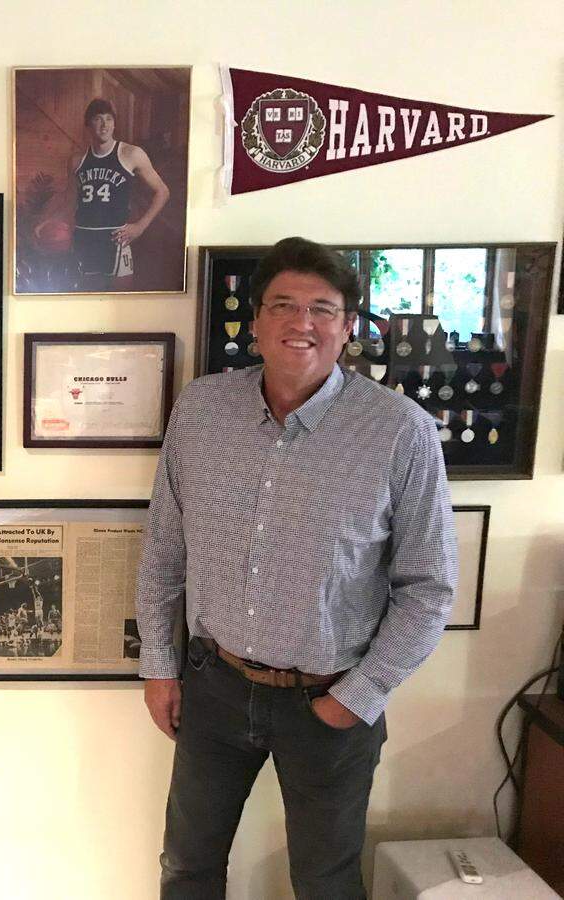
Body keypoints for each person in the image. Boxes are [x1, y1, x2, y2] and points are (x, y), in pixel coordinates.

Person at [135, 237, 457, 899]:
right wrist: (159, 664)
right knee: (187, 868)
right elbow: (165, 549)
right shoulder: (201, 411)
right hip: (214, 685)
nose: (300, 322)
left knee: (326, 881)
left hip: (330, 697)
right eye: (282, 304)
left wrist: (360, 695)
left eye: (321, 308)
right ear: (253, 321)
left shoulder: (401, 432)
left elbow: (428, 588)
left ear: (347, 327)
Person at [67, 98, 169, 288]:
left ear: (114, 123)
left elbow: (163, 191)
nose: (104, 125)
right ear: (88, 125)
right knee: (86, 300)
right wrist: (48, 222)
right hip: (84, 238)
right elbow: (69, 201)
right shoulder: (77, 160)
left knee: (120, 302)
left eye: (109, 119)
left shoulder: (131, 154)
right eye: (98, 119)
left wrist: (141, 226)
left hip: (115, 238)